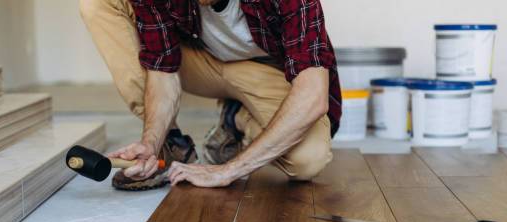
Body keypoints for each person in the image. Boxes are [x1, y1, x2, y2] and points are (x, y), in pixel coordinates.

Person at [80, 0, 341, 190]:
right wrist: (151, 142)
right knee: (99, 3)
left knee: (308, 159)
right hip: (198, 63)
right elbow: (162, 72)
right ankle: (171, 147)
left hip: (267, 72)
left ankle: (235, 119)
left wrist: (228, 171)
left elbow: (312, 94)